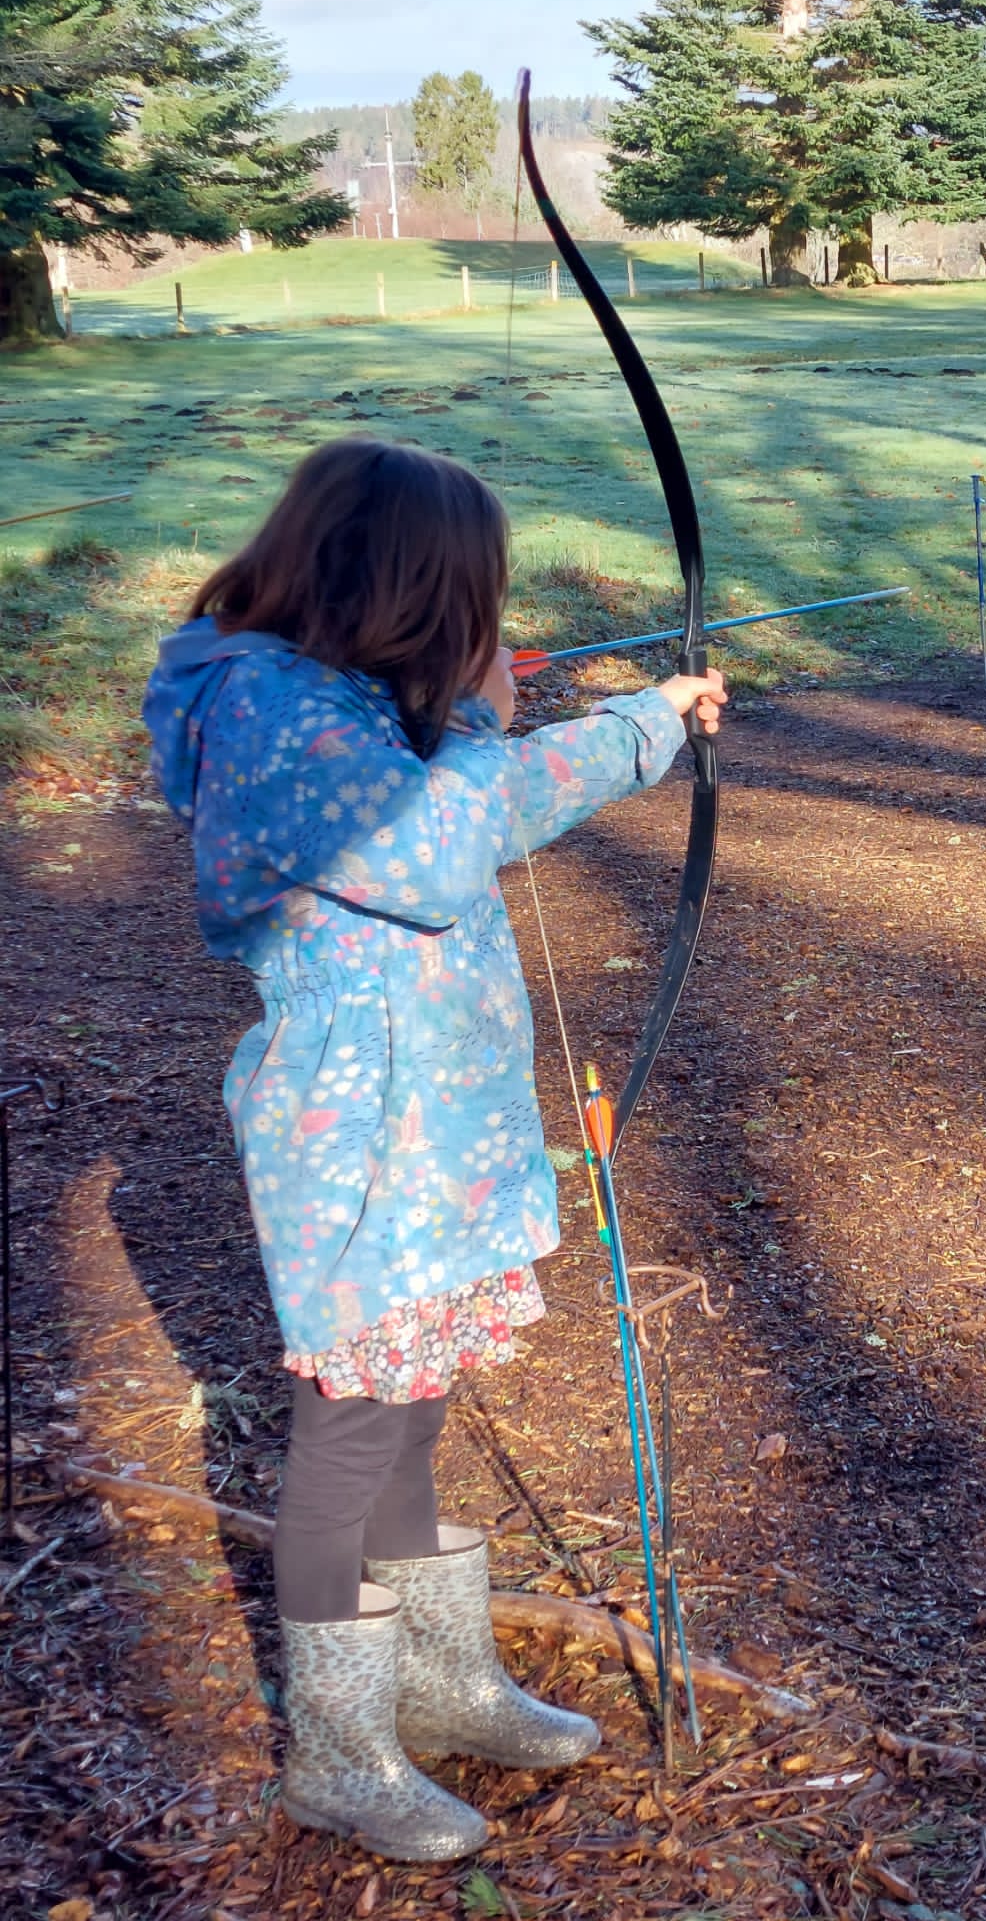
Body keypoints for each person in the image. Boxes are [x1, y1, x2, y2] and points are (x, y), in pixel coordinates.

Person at [142, 438, 725, 1863]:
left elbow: (475, 801)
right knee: (352, 1427)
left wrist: (617, 721)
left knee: (410, 1402)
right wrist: (492, 717)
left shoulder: (342, 697)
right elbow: (438, 845)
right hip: (359, 1139)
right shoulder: (270, 709)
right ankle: (338, 1756)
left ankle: (441, 1683)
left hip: (431, 1124)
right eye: (474, 594)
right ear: (406, 583)